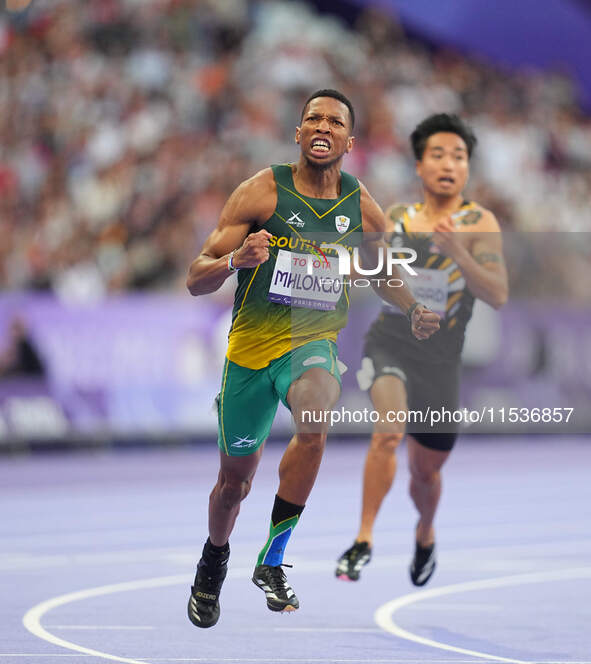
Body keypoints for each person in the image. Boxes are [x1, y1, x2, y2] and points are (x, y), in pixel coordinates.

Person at [185, 89, 440, 628]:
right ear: (298, 134)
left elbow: (383, 271)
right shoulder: (262, 191)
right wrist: (236, 258)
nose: (322, 126)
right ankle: (214, 559)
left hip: (312, 343)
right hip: (251, 353)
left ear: (350, 140)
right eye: (312, 118)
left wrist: (414, 307)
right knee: (233, 486)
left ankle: (272, 559)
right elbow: (195, 277)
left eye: (335, 121)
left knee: (315, 418)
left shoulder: (359, 203)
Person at [336, 113, 508, 587]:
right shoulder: (399, 218)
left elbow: (496, 294)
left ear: (467, 168)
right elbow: (379, 271)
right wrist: (345, 267)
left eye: (458, 155)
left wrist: (460, 254)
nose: (448, 163)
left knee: (424, 472)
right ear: (419, 165)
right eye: (438, 154)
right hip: (391, 341)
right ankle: (364, 538)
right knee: (388, 432)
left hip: (442, 359)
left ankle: (426, 530)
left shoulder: (479, 223)